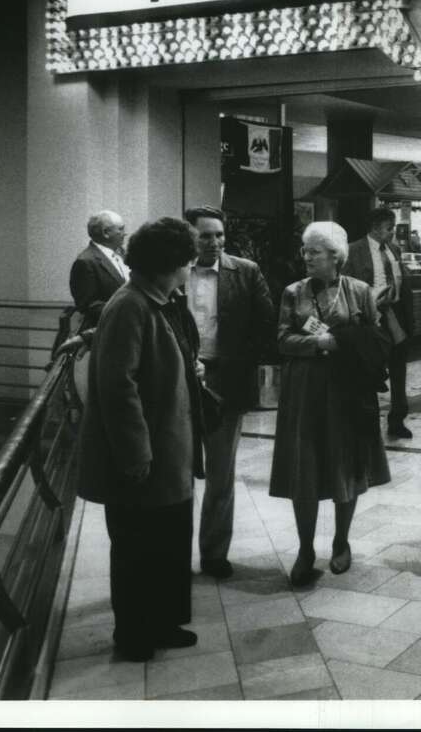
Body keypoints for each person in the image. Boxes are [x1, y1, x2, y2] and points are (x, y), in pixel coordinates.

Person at [77, 217, 202, 661]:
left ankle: (162, 623)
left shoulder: (156, 301)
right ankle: (133, 635)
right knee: (136, 549)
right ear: (172, 264)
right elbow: (116, 386)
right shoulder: (130, 305)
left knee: (165, 544)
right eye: (188, 262)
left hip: (168, 454)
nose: (191, 269)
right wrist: (136, 453)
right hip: (145, 458)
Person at [270, 222, 391, 586]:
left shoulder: (360, 291)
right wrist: (319, 345)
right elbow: (281, 340)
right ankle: (305, 548)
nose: (307, 257)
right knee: (304, 468)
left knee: (344, 465)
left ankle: (341, 541)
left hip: (346, 392)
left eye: (315, 252)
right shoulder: (293, 292)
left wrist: (346, 343)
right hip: (303, 393)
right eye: (305, 251)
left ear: (335, 256)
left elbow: (377, 338)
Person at [181, 206, 275, 580]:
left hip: (226, 382)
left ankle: (214, 553)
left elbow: (265, 325)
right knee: (178, 474)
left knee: (221, 474)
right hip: (182, 383)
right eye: (206, 235)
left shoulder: (245, 272)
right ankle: (175, 552)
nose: (215, 242)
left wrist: (238, 361)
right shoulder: (174, 273)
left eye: (219, 234)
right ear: (190, 237)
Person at [345, 208, 414, 439]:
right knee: (369, 368)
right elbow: (347, 285)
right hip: (369, 316)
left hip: (394, 314)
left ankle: (397, 419)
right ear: (375, 228)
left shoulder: (393, 250)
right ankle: (365, 419)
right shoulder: (354, 251)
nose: (393, 233)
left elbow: (403, 283)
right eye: (389, 228)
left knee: (399, 366)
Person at [69, 210, 129, 330]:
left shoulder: (123, 254)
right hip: (107, 332)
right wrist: (127, 313)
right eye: (121, 229)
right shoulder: (85, 262)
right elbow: (88, 305)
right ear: (106, 233)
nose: (125, 233)